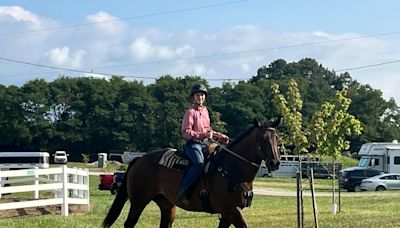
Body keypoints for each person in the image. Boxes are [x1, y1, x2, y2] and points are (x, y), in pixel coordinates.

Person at [177, 83, 229, 205]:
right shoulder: (190, 112)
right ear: (193, 97)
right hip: (193, 144)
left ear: (205, 97)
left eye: (202, 95)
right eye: (197, 95)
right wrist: (202, 135)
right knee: (199, 164)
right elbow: (186, 132)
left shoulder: (205, 111)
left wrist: (220, 136)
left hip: (205, 144)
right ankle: (183, 191)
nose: (200, 97)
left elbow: (208, 130)